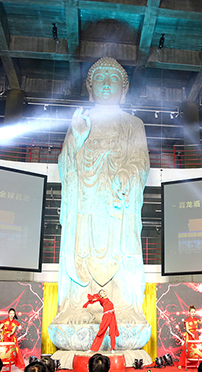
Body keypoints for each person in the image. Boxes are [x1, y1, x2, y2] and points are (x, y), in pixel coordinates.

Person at [55, 56, 150, 333]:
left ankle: (123, 306)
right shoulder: (80, 121)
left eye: (113, 79)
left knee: (122, 250)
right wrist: (77, 139)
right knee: (80, 249)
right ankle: (78, 306)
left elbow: (141, 162)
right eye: (99, 78)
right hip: (85, 204)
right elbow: (65, 164)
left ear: (124, 89)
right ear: (89, 87)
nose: (106, 84)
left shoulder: (133, 124)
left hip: (117, 206)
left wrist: (127, 174)